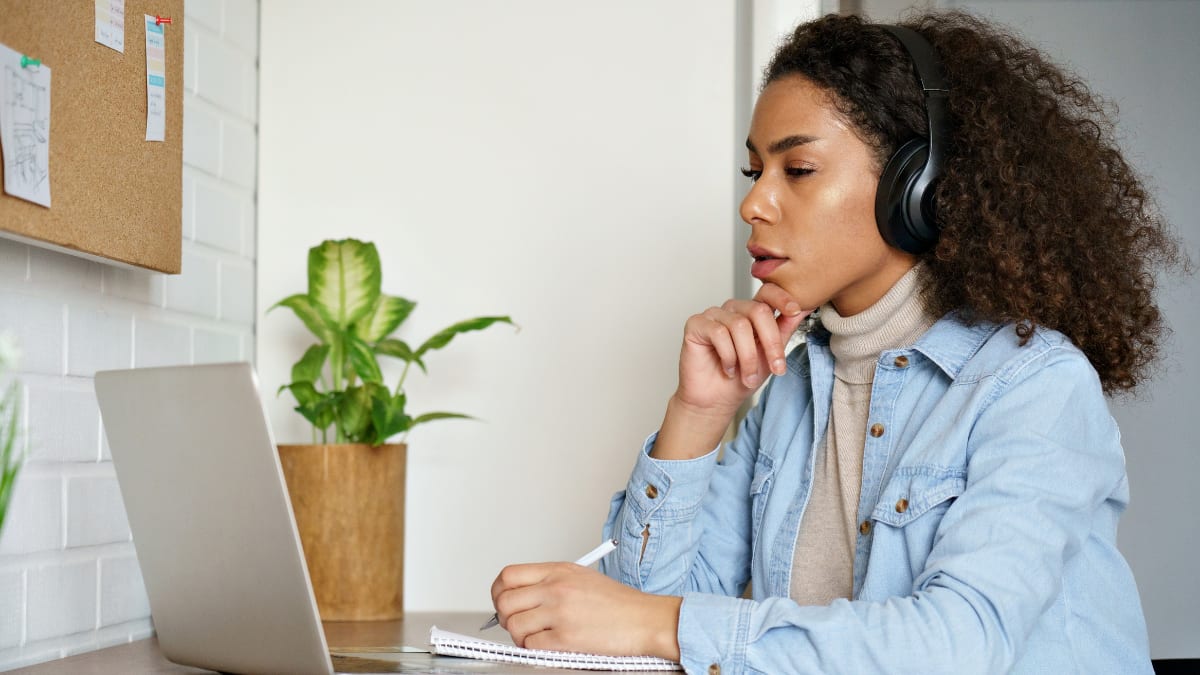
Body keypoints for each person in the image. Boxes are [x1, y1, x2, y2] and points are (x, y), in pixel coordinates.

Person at [489, 11, 1184, 673]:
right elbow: (637, 615)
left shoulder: (1034, 387)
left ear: (915, 187)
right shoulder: (789, 390)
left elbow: (957, 645)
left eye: (797, 170)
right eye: (753, 172)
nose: (753, 204)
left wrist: (660, 624)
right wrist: (697, 413)